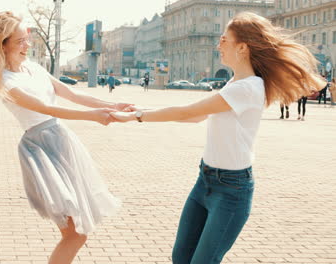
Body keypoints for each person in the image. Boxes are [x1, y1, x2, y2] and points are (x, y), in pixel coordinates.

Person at [110, 12, 326, 264]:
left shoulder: (247, 87)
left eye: (224, 39)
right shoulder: (235, 83)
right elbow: (193, 117)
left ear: (242, 47)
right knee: (181, 257)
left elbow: (188, 111)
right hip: (205, 181)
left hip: (231, 190)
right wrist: (141, 114)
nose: (218, 45)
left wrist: (136, 116)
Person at [0, 11, 131, 264]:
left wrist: (113, 105)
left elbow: (70, 94)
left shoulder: (32, 68)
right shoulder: (5, 81)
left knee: (77, 233)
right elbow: (46, 109)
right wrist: (93, 116)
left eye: (27, 38)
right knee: (75, 233)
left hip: (60, 142)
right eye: (20, 41)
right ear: (2, 44)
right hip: (41, 148)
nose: (27, 44)